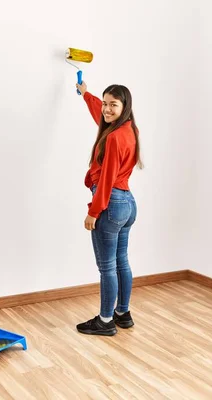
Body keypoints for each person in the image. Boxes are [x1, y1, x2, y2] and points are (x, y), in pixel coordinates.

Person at [74, 82, 143, 336]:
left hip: (110, 203)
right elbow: (99, 114)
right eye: (105, 103)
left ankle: (105, 320)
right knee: (121, 261)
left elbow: (106, 179)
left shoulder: (113, 138)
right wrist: (86, 94)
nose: (106, 109)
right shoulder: (128, 129)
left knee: (107, 267)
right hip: (127, 203)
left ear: (124, 107)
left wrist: (94, 211)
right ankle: (122, 313)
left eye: (113, 104)